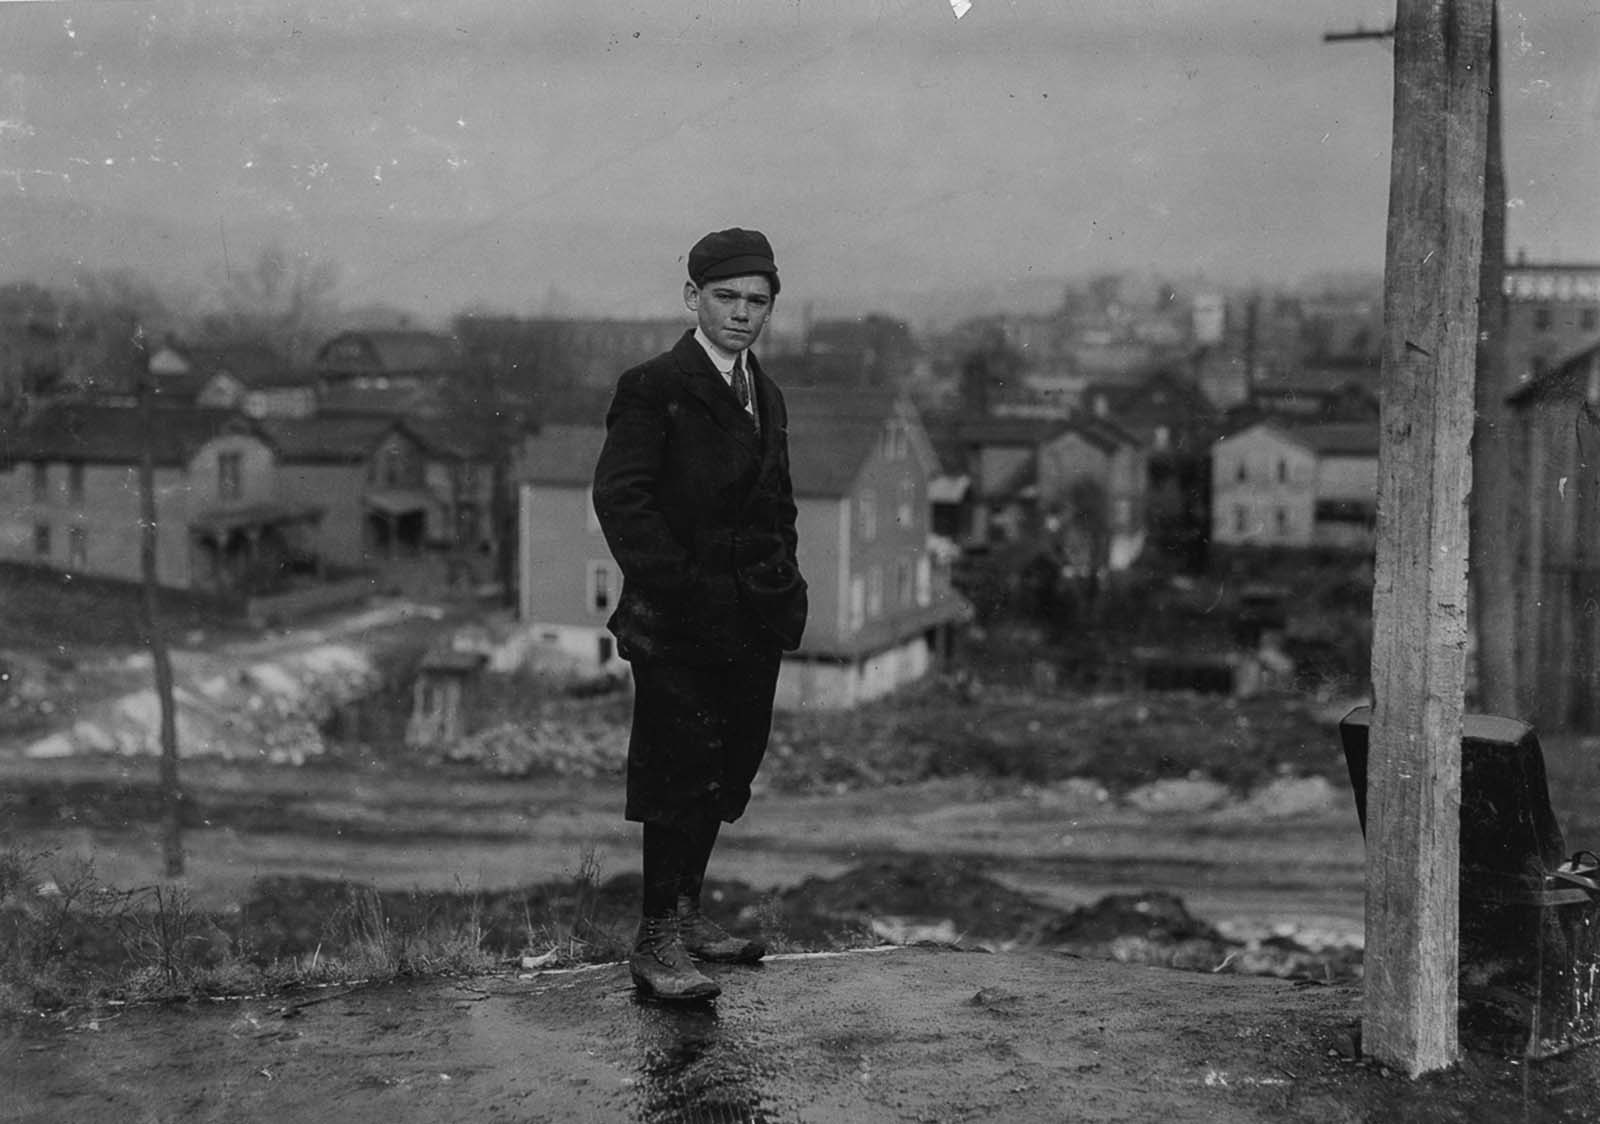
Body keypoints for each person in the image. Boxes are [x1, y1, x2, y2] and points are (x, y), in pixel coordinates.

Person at [592, 227, 808, 1001]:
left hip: (752, 622)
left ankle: (686, 918)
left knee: (725, 770)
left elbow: (778, 504)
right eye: (726, 297)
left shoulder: (766, 394)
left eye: (757, 301)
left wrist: (785, 586)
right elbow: (622, 499)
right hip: (678, 624)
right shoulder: (654, 385)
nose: (742, 313)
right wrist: (682, 588)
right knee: (677, 772)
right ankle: (655, 942)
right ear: (693, 297)